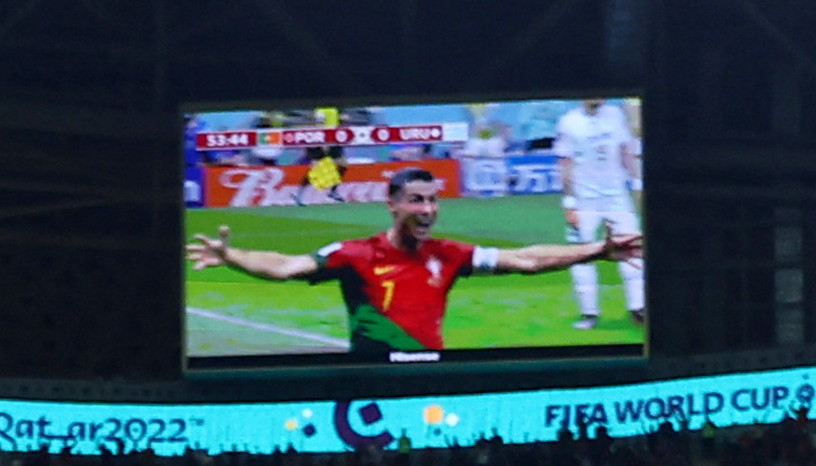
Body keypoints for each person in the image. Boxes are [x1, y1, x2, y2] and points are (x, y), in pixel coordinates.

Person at [183, 164, 639, 361]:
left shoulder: (448, 254)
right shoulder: (355, 254)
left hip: (431, 376)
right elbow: (284, 267)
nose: (428, 210)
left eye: (433, 201)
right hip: (367, 380)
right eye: (417, 202)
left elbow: (525, 259)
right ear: (392, 204)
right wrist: (231, 256)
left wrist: (597, 251)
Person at [550, 97, 647, 333]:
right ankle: (589, 313)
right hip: (585, 201)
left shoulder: (615, 115)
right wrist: (570, 203)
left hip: (617, 198)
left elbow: (626, 153)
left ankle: (639, 308)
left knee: (633, 251)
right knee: (582, 256)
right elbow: (566, 164)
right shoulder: (569, 121)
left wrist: (636, 184)